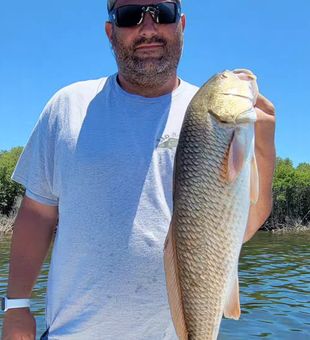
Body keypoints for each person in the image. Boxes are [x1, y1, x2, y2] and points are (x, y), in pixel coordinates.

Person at [1, 0, 276, 339]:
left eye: (162, 13)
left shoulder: (206, 117)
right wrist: (16, 307)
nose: (148, 28)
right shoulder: (68, 105)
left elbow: (244, 223)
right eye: (130, 16)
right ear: (110, 31)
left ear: (182, 24)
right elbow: (38, 214)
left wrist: (264, 146)